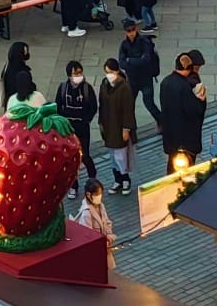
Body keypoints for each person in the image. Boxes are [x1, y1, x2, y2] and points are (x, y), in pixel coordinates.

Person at [55, 60, 99, 199]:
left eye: (80, 72)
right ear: (69, 75)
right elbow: (58, 106)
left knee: (85, 156)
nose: (79, 75)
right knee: (70, 159)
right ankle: (73, 186)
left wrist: (85, 120)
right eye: (75, 73)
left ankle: (93, 181)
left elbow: (93, 106)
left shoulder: (86, 88)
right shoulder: (63, 88)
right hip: (68, 130)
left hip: (82, 128)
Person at [159, 52, 207, 165]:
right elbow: (194, 111)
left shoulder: (165, 82)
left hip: (170, 136)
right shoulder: (185, 87)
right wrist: (201, 100)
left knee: (172, 165)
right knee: (187, 168)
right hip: (186, 138)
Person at [99, 57, 137, 194]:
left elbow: (128, 110)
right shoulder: (105, 84)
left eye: (110, 71)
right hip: (109, 125)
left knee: (121, 156)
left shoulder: (124, 87)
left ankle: (125, 179)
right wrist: (101, 123)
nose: (108, 75)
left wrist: (126, 128)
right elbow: (101, 105)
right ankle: (117, 180)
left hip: (119, 126)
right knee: (112, 156)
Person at [117, 18, 161, 123]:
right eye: (128, 31)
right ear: (125, 32)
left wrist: (130, 61)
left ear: (136, 29)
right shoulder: (124, 45)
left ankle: (161, 121)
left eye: (133, 30)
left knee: (149, 104)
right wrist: (137, 60)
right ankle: (131, 130)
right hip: (132, 81)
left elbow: (146, 60)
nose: (131, 33)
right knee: (129, 106)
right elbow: (122, 63)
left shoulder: (144, 42)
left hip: (145, 79)